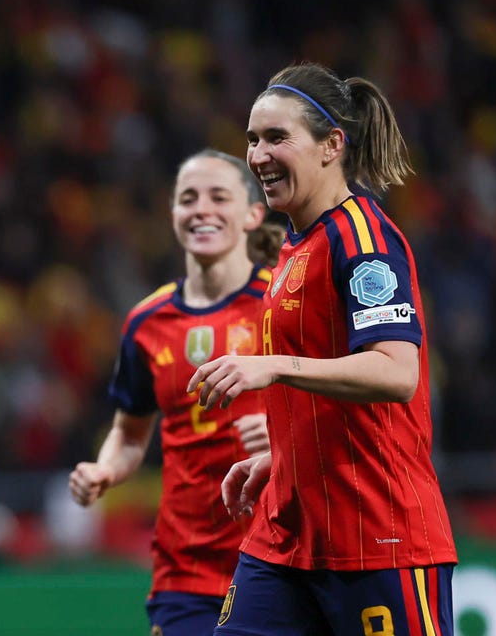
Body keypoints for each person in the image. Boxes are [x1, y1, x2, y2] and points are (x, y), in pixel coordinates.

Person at [190, 63, 457, 636]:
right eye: (253, 139)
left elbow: (394, 371)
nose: (258, 155)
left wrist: (271, 367)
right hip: (287, 537)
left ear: (331, 145)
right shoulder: (296, 247)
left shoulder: (363, 237)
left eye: (277, 137)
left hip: (377, 537)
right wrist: (284, 457)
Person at [69, 149, 280, 635]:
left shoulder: (281, 302)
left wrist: (283, 434)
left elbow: (341, 404)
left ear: (252, 214)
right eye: (189, 199)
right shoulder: (146, 322)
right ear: (173, 216)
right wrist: (105, 469)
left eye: (218, 197)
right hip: (186, 567)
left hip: (279, 551)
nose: (202, 208)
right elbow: (129, 434)